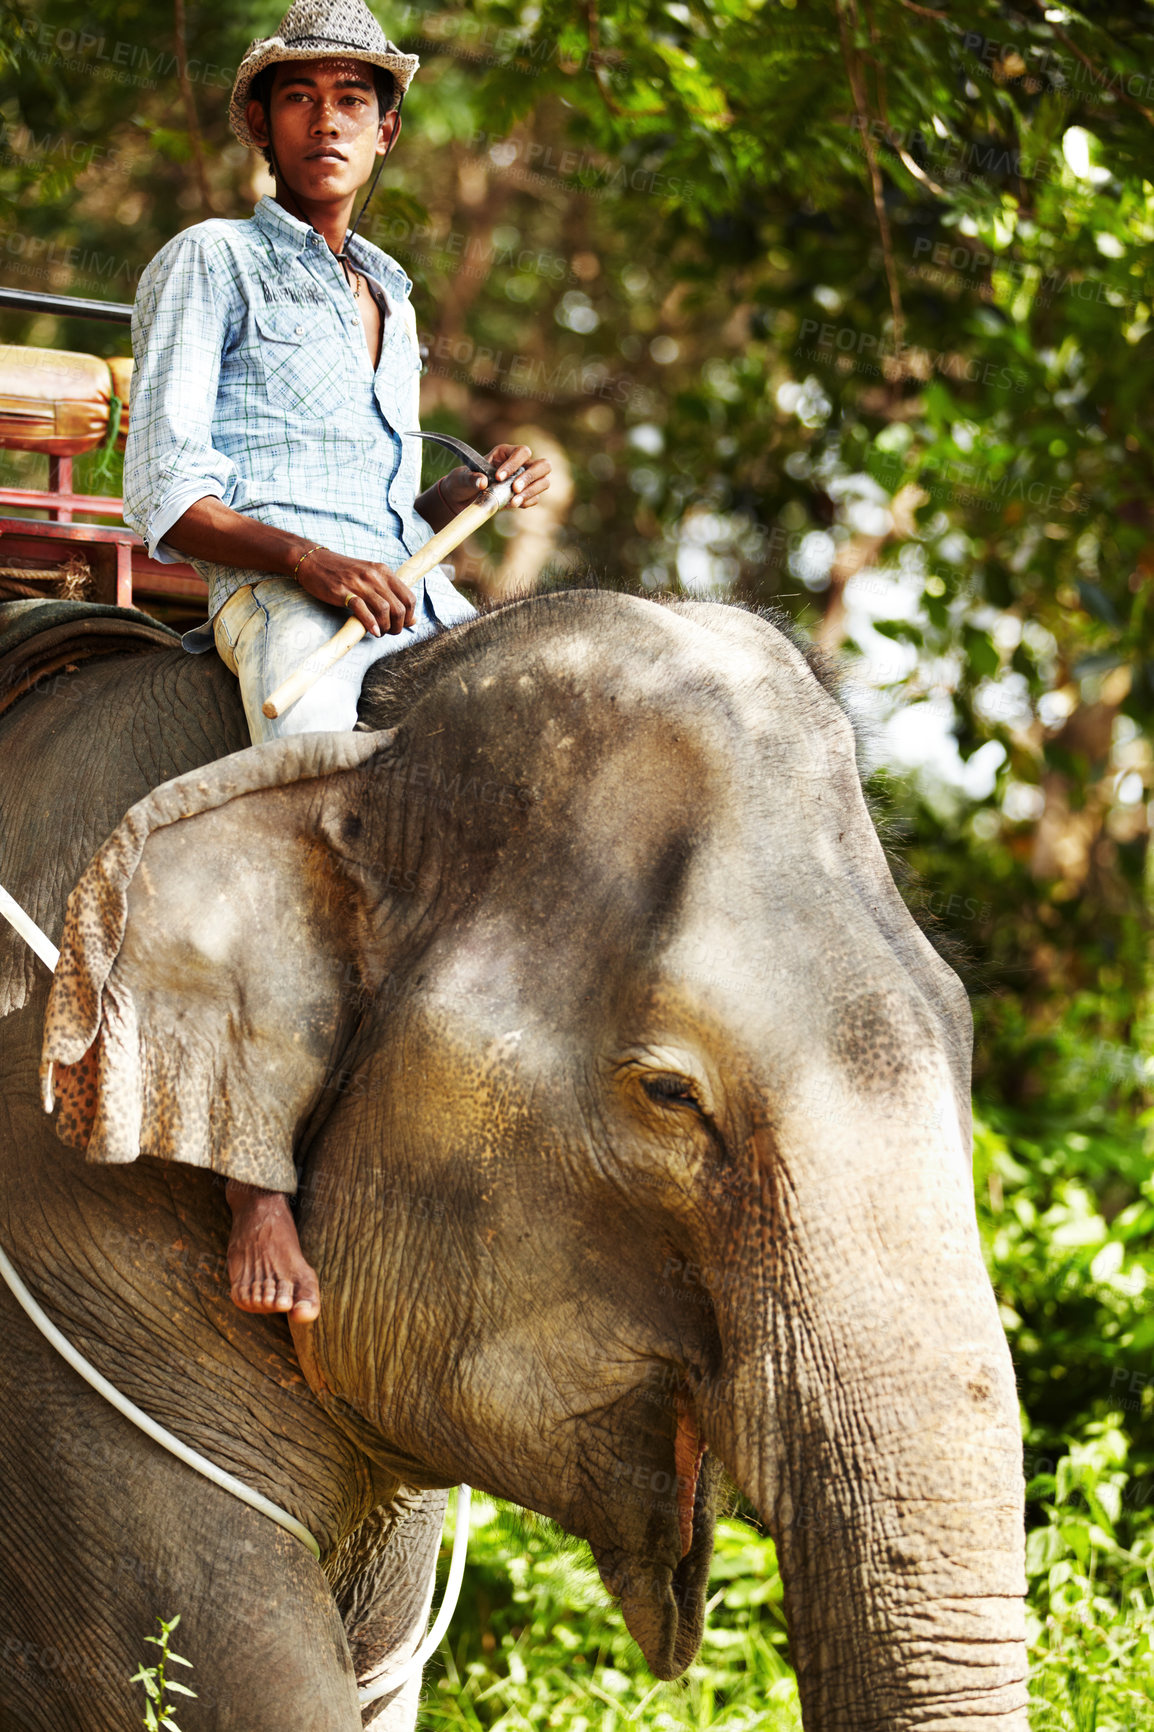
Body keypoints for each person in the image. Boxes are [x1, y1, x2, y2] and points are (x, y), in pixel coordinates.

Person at [122, 0, 552, 1327]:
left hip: (399, 591)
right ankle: (257, 1185)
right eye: (298, 98)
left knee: (552, 754)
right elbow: (164, 492)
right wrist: (310, 568)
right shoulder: (210, 260)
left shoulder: (394, 295)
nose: (326, 121)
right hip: (280, 600)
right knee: (312, 822)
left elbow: (385, 513)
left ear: (385, 130)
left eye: (351, 100)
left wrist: (468, 494)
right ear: (260, 124)